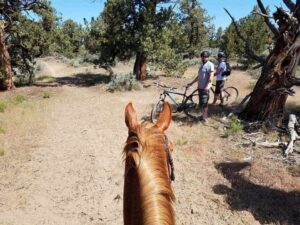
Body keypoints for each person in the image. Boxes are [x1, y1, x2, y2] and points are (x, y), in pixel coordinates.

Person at [187, 50, 214, 122]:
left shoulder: (210, 65)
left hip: (205, 88)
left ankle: (205, 118)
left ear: (208, 57)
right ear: (201, 57)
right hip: (200, 87)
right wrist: (191, 83)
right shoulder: (201, 65)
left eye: (206, 57)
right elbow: (198, 77)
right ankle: (202, 116)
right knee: (201, 103)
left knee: (205, 103)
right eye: (203, 57)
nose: (204, 58)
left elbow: (211, 77)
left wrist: (207, 86)